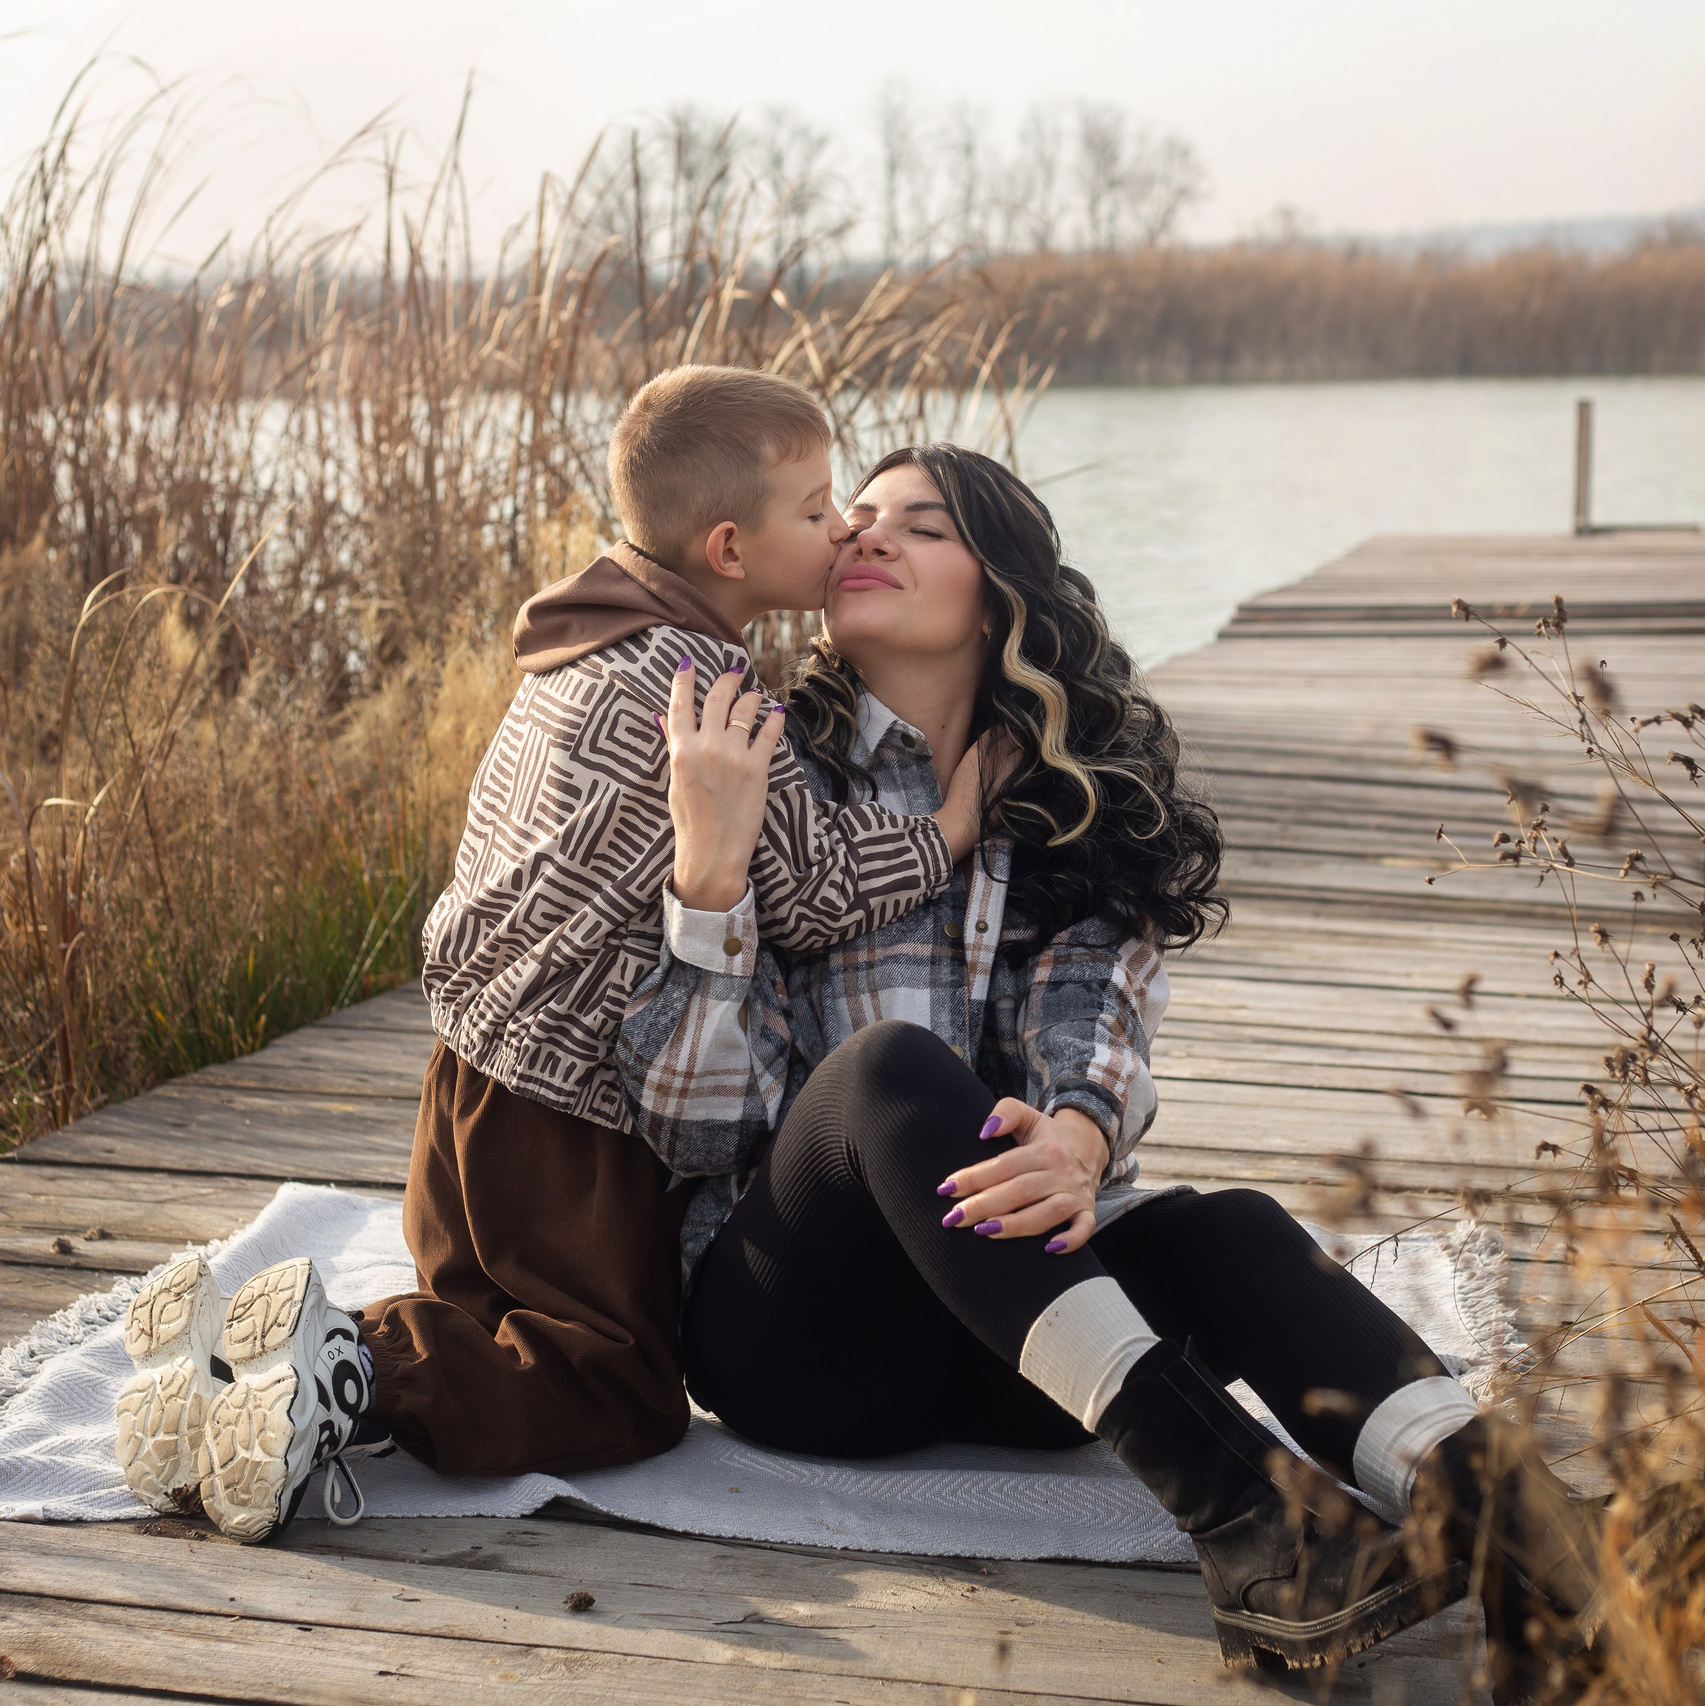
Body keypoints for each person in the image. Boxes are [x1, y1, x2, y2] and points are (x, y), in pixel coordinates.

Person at [617, 443, 1610, 1698]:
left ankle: (1541, 1534)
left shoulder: (1080, 799)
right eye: (852, 518)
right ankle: (1249, 1520)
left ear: (1002, 592)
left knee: (1234, 1228)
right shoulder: (756, 767)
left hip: (1025, 1343)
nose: (867, 535)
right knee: (887, 1070)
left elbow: (1093, 1025)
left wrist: (1080, 1135)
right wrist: (704, 881)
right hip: (799, 1334)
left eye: (921, 526)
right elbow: (693, 1129)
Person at [112, 367, 996, 1543]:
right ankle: (354, 1368)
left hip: (461, 1076)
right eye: (820, 506)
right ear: (730, 547)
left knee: (483, 1313)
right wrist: (948, 829)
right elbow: (809, 887)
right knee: (616, 1380)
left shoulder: (577, 645)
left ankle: (226, 1373)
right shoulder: (711, 689)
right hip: (566, 1114)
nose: (843, 528)